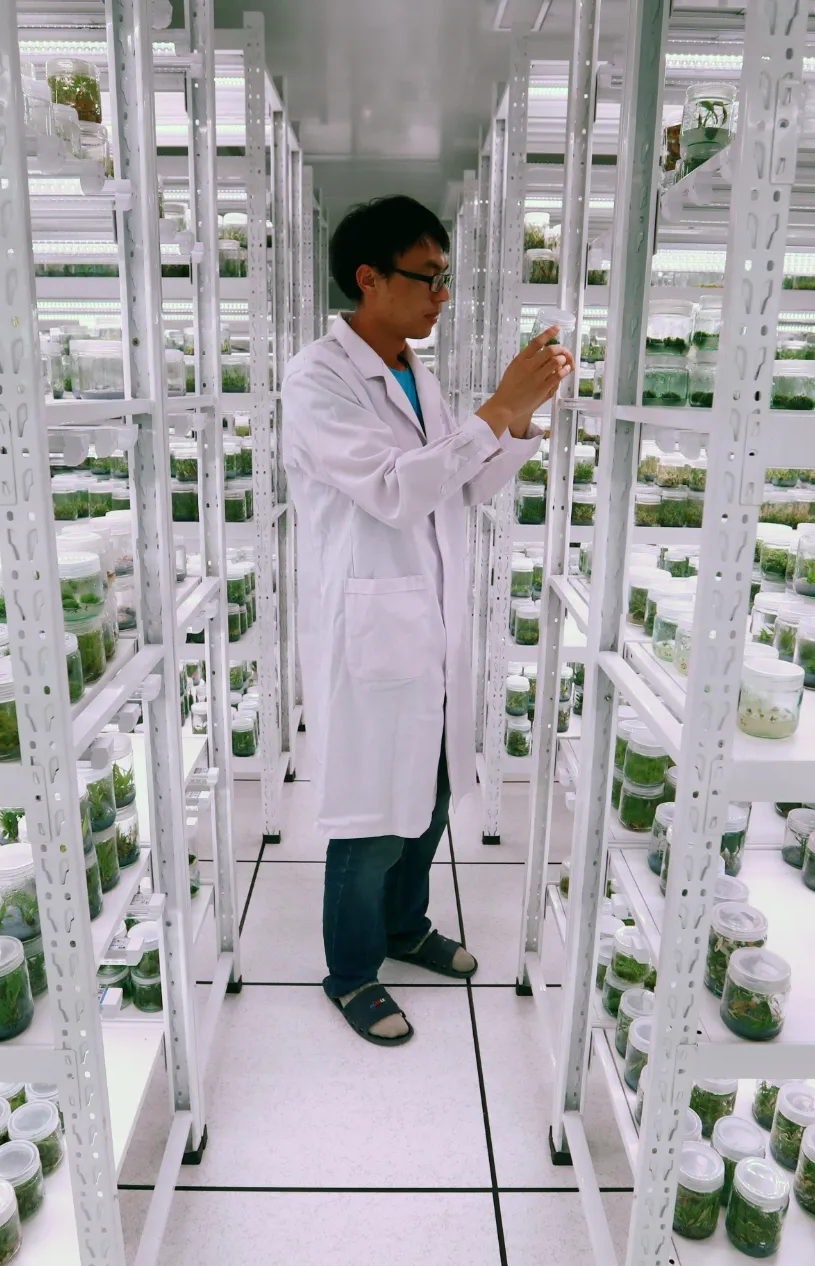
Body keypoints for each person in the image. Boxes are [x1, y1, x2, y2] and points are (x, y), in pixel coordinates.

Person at [283, 194, 573, 1046]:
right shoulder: (317, 378)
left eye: (445, 278)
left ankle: (406, 927)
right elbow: (395, 488)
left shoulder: (420, 374)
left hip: (435, 619)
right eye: (428, 277)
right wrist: (492, 412)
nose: (441, 295)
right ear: (370, 278)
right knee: (372, 811)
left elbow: (466, 486)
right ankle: (351, 972)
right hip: (372, 621)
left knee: (434, 792)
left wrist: (516, 418)